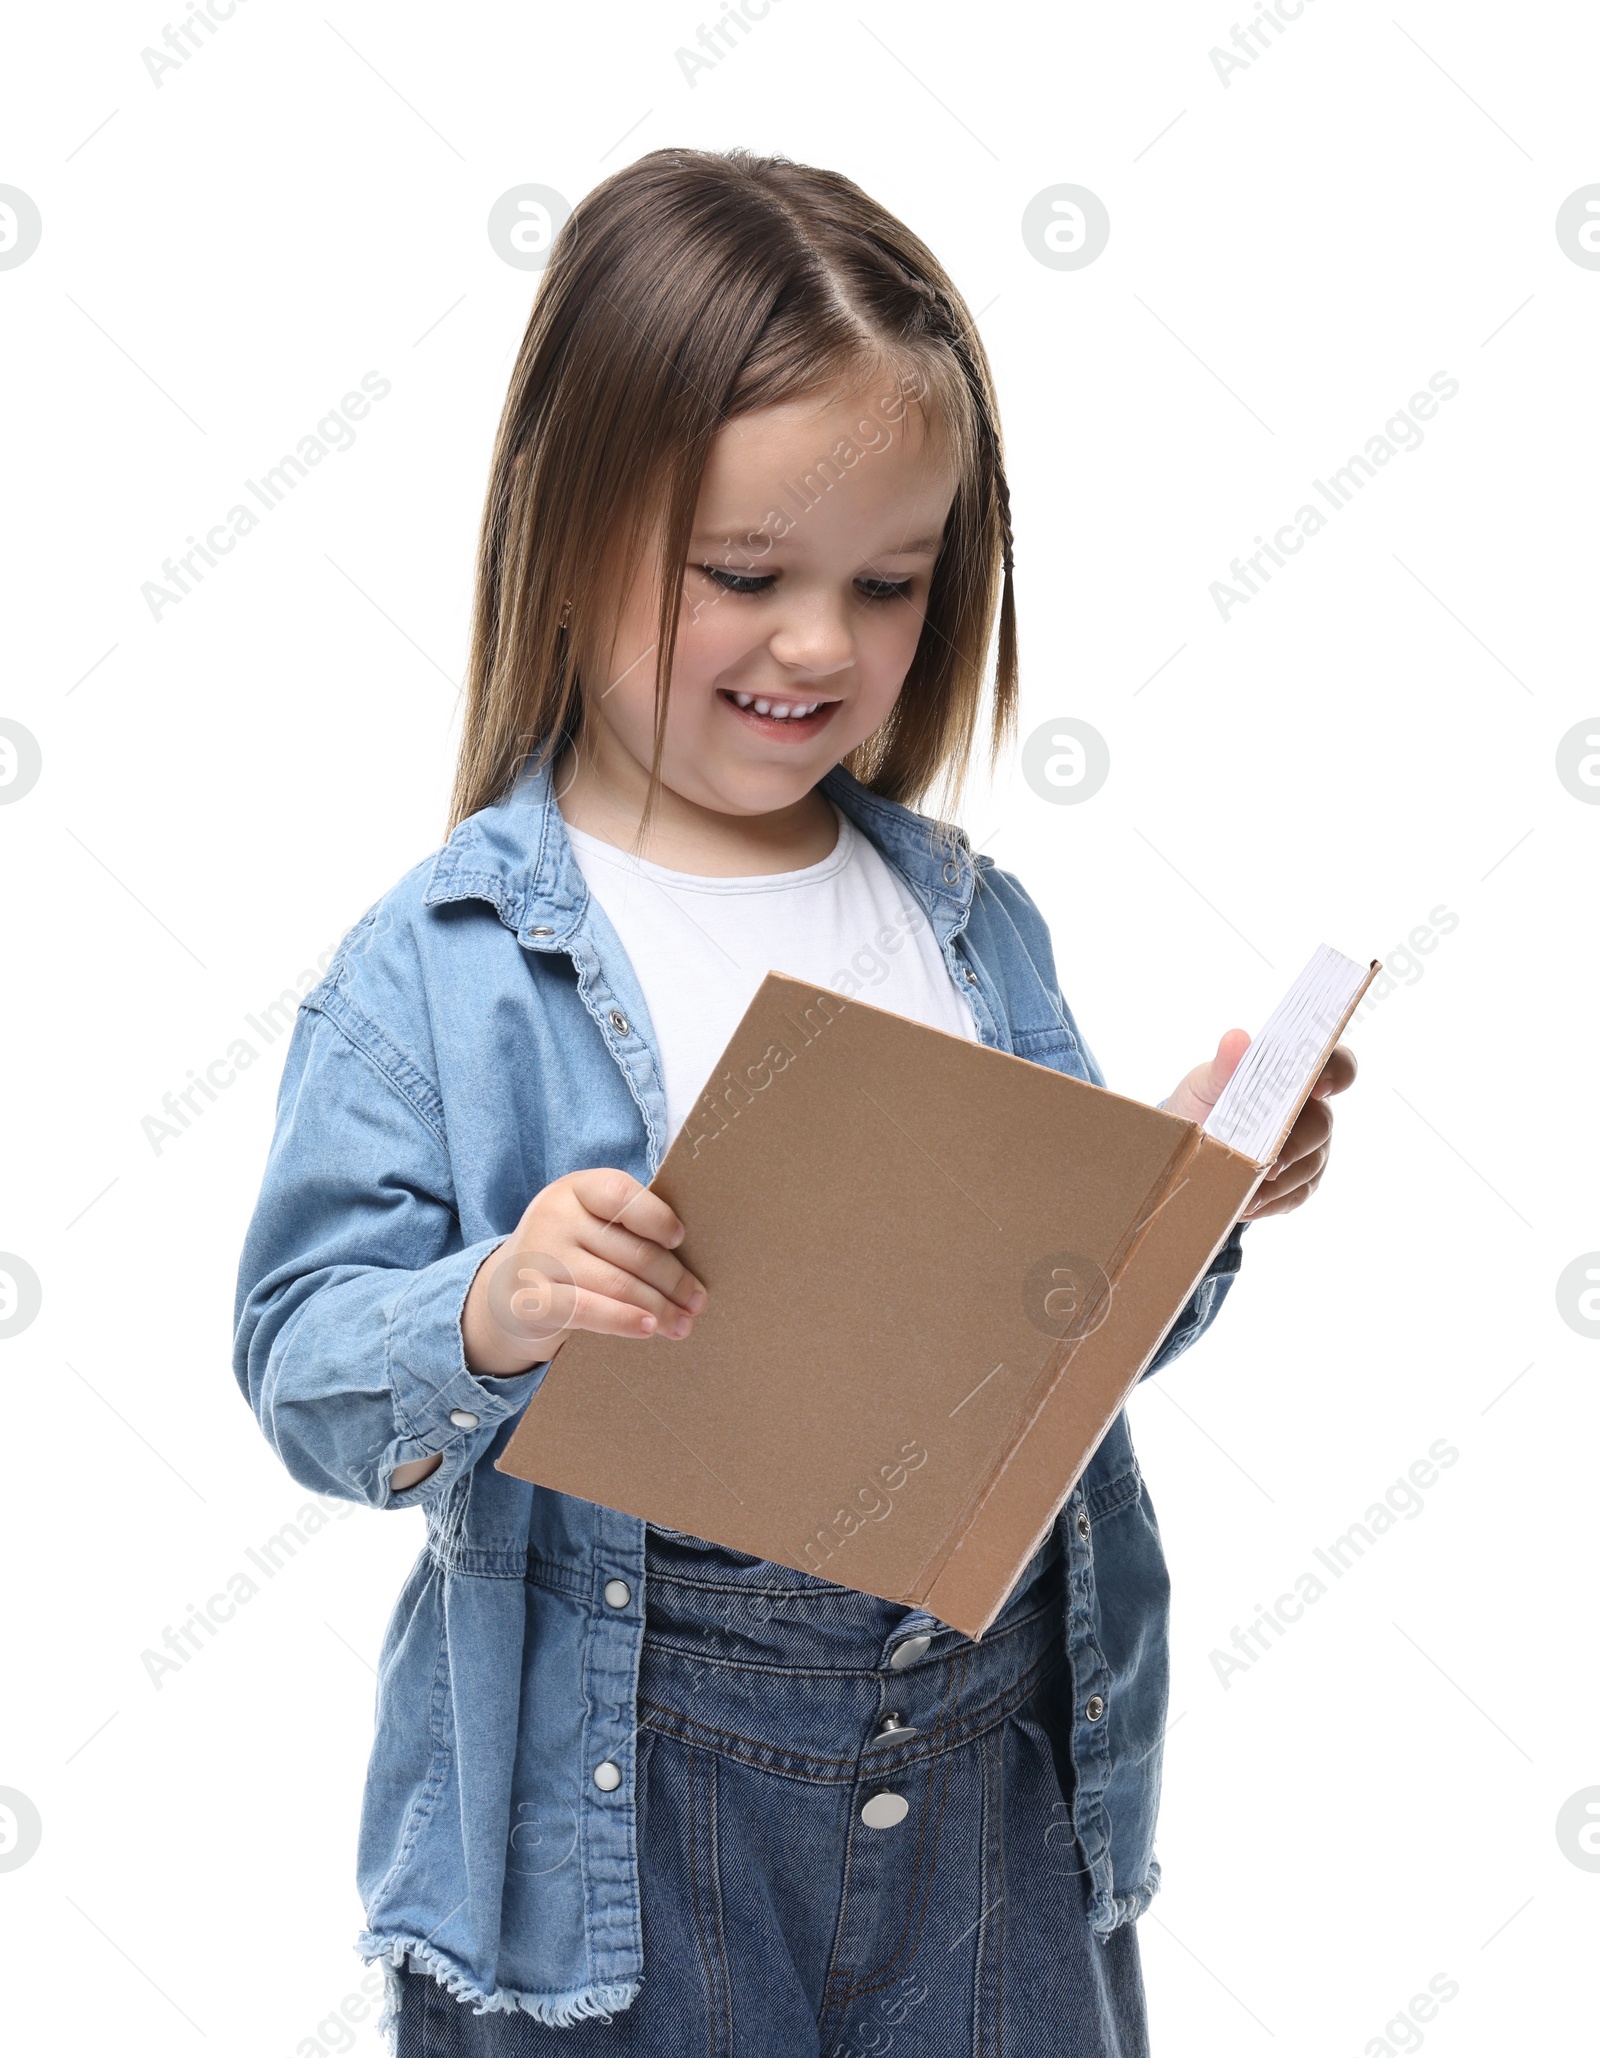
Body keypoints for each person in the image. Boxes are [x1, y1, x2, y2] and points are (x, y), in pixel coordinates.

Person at [233, 146, 1354, 2057]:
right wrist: (492, 1305)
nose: (821, 644)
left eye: (889, 583)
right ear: (564, 534)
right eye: (746, 576)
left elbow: (1036, 1369)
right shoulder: (443, 962)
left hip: (981, 1776)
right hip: (623, 1811)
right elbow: (303, 1364)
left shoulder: (967, 922)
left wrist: (1171, 1206)